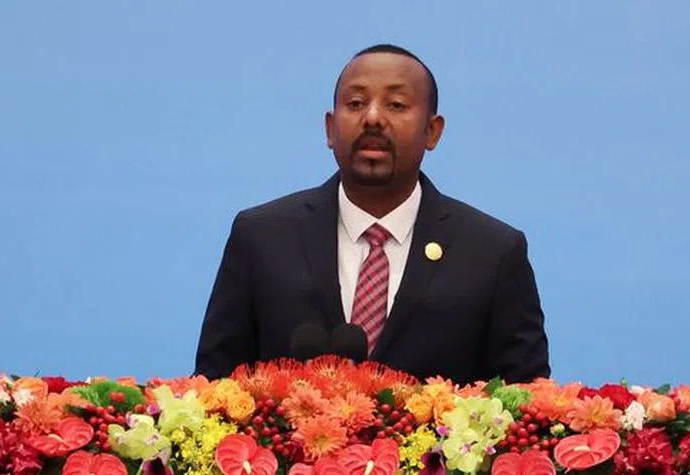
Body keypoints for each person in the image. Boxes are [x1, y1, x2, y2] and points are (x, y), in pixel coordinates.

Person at [194, 44, 550, 385]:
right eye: (356, 103)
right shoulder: (261, 237)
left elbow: (528, 409)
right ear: (330, 129)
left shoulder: (493, 253)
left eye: (396, 104)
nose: (373, 118)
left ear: (432, 130)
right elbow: (213, 389)